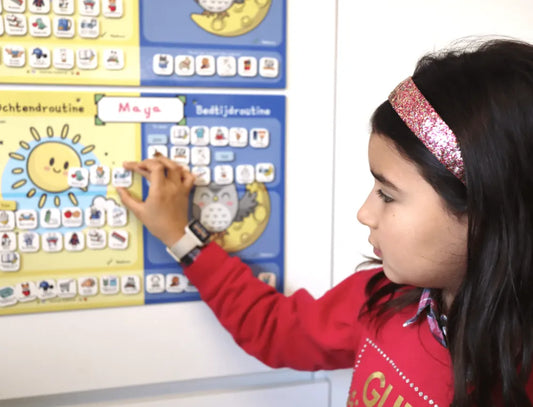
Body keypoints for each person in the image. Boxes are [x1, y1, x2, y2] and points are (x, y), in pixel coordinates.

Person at [117, 38, 533, 406]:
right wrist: (180, 235)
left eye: (388, 195)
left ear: (489, 215)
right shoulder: (382, 299)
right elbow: (277, 330)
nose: (364, 213)